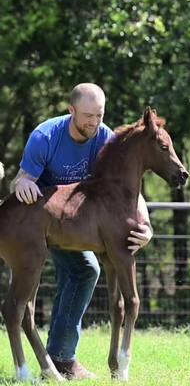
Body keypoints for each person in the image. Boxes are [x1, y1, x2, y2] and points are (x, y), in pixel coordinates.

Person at [10, 83, 153, 380]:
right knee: (87, 269)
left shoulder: (105, 137)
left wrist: (146, 224)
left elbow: (127, 191)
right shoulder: (45, 136)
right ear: (71, 110)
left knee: (86, 270)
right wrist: (20, 182)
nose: (94, 122)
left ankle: (58, 357)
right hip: (46, 222)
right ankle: (61, 358)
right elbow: (22, 181)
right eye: (88, 115)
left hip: (81, 221)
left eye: (99, 114)